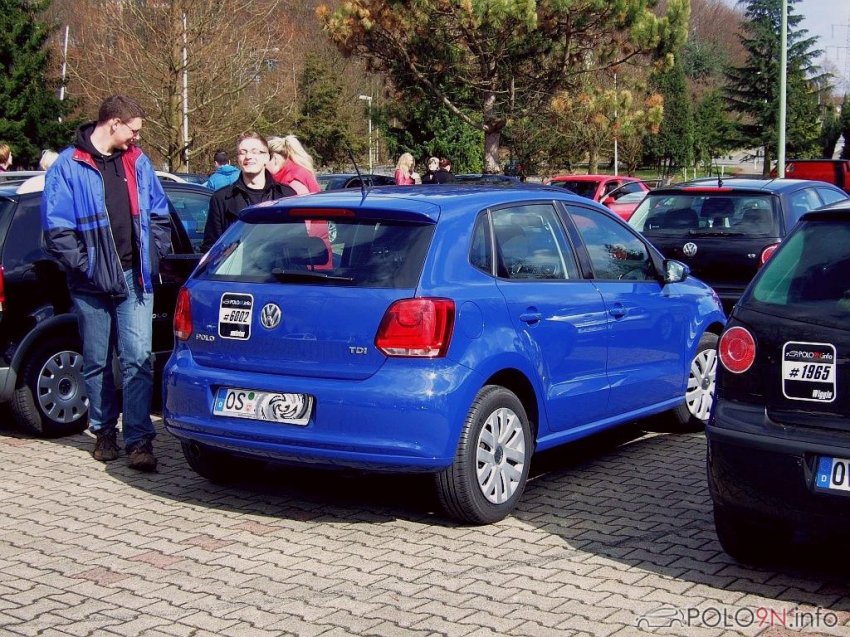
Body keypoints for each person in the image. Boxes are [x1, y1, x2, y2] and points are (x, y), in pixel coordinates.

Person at [41, 95, 172, 471]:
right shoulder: (68, 166)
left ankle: (139, 441)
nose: (135, 138)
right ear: (113, 123)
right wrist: (90, 269)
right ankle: (103, 432)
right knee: (97, 362)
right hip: (90, 284)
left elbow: (159, 215)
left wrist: (153, 255)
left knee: (138, 361)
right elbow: (58, 233)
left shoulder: (138, 162)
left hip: (135, 280)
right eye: (133, 130)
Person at [200, 132, 296, 253]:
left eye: (255, 151)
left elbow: (297, 243)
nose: (248, 156)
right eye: (243, 152)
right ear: (237, 159)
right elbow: (211, 248)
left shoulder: (287, 195)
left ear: (267, 157)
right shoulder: (221, 199)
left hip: (279, 269)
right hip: (239, 271)